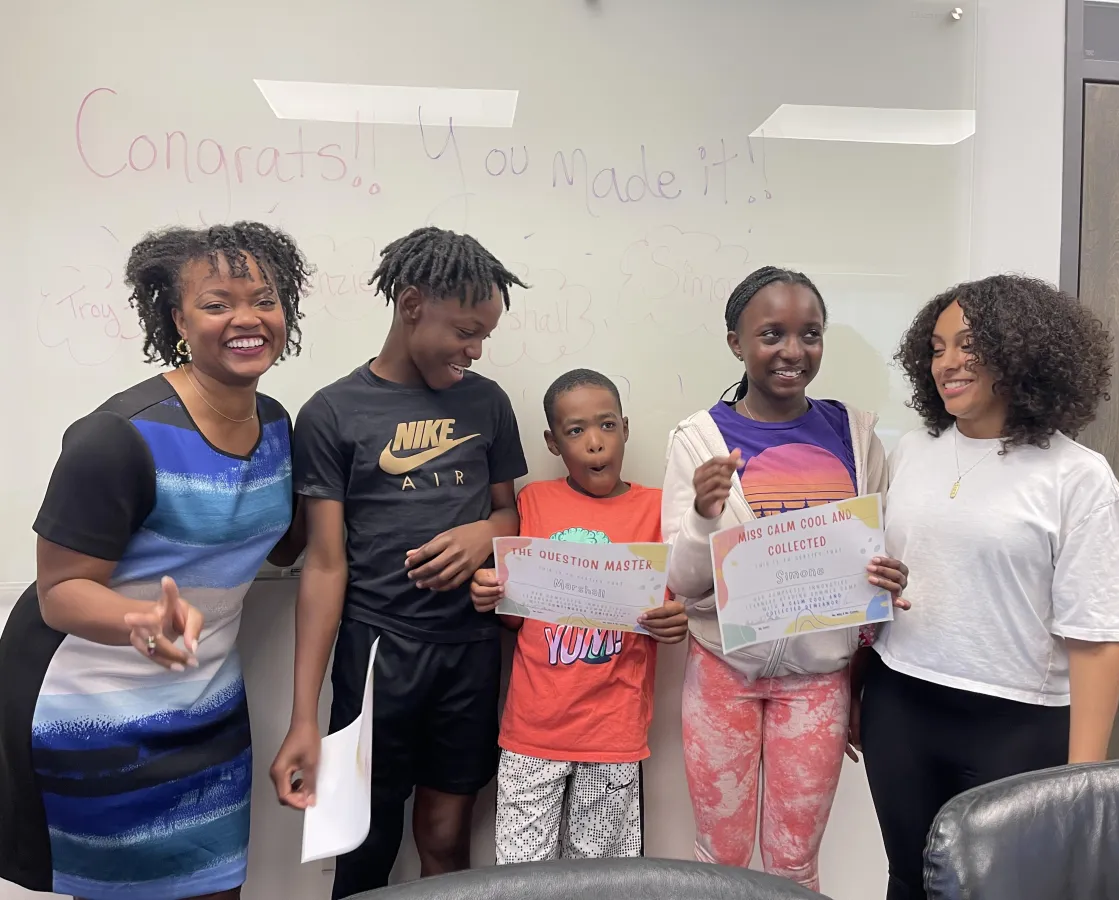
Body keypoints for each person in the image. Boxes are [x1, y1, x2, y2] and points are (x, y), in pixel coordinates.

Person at [0, 222, 310, 900]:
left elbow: (286, 540)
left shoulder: (280, 427)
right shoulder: (118, 437)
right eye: (217, 303)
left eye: (264, 298)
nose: (247, 318)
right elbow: (60, 591)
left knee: (218, 886)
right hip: (94, 714)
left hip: (209, 710)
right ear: (177, 318)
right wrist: (142, 618)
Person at [270, 226, 529, 898]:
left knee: (446, 837)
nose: (474, 351)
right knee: (361, 843)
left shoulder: (487, 402)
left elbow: (511, 516)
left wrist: (484, 535)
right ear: (412, 305)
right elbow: (324, 567)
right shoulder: (332, 412)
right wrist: (304, 715)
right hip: (377, 650)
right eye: (465, 331)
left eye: (484, 338)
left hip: (469, 651)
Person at [859, 274, 1119, 900]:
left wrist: (1083, 782)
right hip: (900, 703)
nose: (947, 363)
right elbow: (895, 575)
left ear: (1022, 351)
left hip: (1018, 722)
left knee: (1002, 890)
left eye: (968, 345)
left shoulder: (1079, 478)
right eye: (936, 347)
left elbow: (1097, 641)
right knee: (908, 882)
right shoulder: (910, 452)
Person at [661, 266, 910, 893]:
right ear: (735, 343)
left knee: (795, 860)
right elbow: (686, 585)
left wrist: (887, 573)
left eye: (810, 334)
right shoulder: (700, 439)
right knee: (721, 856)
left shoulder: (855, 433)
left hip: (820, 679)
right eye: (771, 333)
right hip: (723, 669)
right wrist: (701, 515)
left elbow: (876, 559)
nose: (793, 351)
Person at [468, 369, 689, 864]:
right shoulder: (533, 503)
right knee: (521, 876)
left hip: (613, 732)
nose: (595, 443)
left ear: (626, 428)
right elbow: (514, 619)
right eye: (575, 431)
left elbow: (672, 608)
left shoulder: (658, 510)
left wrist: (676, 623)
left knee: (602, 879)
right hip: (533, 728)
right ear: (552, 442)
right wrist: (491, 595)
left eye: (607, 426)